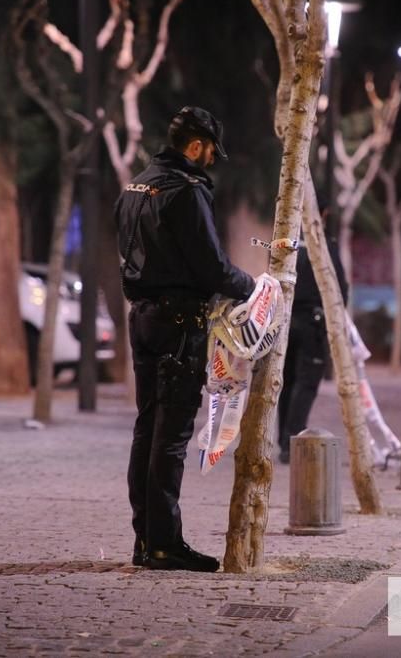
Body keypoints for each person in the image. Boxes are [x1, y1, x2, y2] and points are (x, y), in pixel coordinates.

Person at [115, 106, 254, 572]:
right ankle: (163, 545)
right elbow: (210, 266)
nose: (211, 159)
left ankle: (145, 539)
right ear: (196, 146)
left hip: (143, 319)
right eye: (211, 151)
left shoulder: (136, 185)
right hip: (179, 325)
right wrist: (251, 287)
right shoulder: (187, 192)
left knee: (146, 429)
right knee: (170, 437)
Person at [276, 201, 348, 463]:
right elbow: (339, 288)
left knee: (286, 381)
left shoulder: (288, 241)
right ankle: (291, 440)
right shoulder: (324, 246)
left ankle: (284, 438)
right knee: (306, 384)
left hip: (285, 320)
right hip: (312, 324)